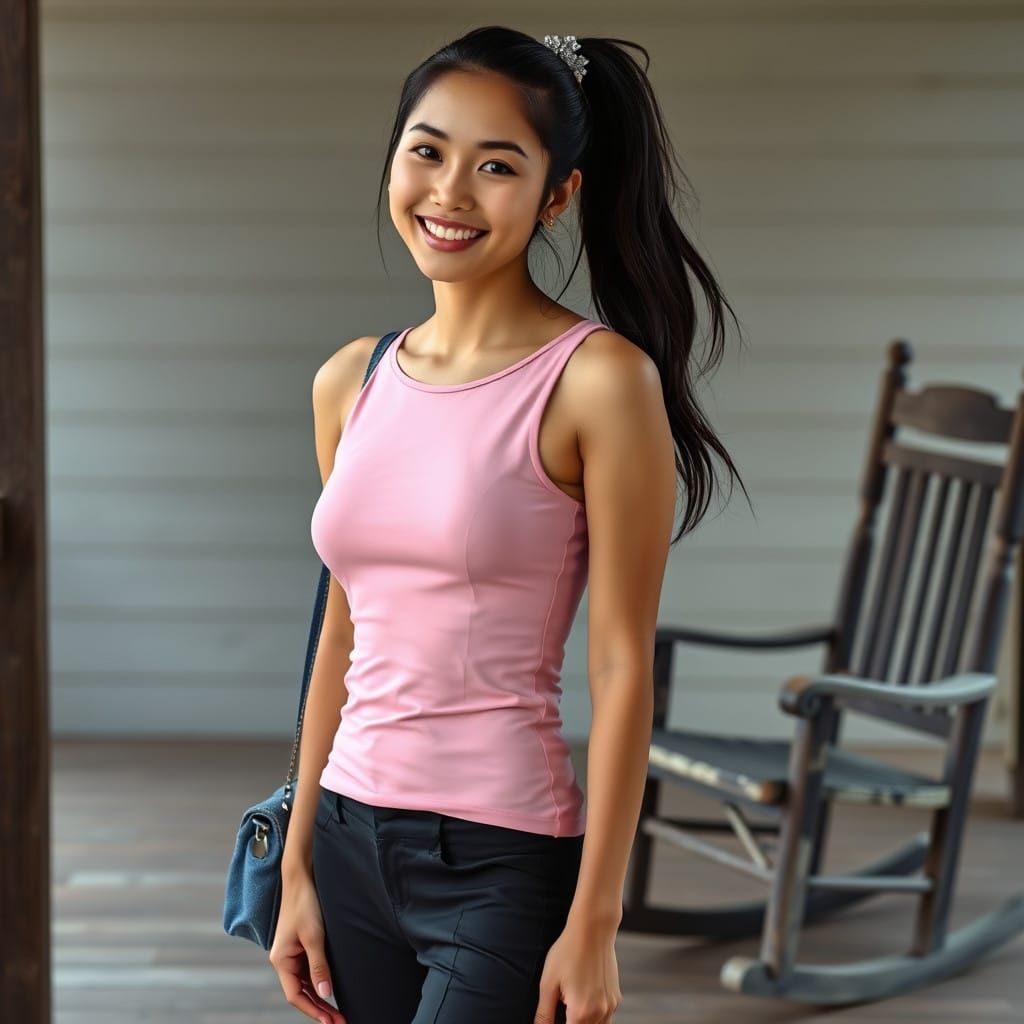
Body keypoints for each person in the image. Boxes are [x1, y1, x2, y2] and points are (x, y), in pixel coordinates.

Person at [269, 25, 752, 1024]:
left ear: (557, 195)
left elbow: (620, 667)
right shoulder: (349, 380)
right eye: (427, 149)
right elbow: (343, 631)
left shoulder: (599, 382)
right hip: (350, 841)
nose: (448, 192)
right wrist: (297, 857)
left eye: (496, 166)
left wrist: (595, 921)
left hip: (498, 856)